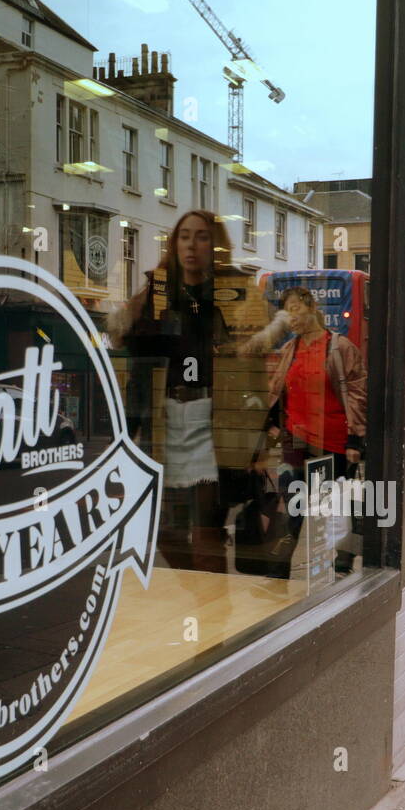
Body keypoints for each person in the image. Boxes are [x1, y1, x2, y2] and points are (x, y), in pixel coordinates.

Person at [107, 209, 235, 573]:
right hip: (165, 424)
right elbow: (140, 371)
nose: (191, 244)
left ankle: (216, 619)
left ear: (215, 246)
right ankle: (199, 602)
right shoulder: (155, 295)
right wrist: (128, 433)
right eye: (184, 236)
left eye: (201, 236)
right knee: (164, 533)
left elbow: (245, 370)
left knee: (206, 534)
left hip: (211, 423)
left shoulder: (229, 297)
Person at [246, 286, 367, 579]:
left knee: (336, 506)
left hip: (334, 441)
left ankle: (340, 563)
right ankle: (278, 571)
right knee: (291, 503)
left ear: (311, 307)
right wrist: (269, 427)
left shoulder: (339, 347)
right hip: (295, 439)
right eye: (286, 313)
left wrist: (355, 438)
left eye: (295, 309)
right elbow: (279, 391)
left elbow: (357, 393)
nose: (291, 318)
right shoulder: (290, 349)